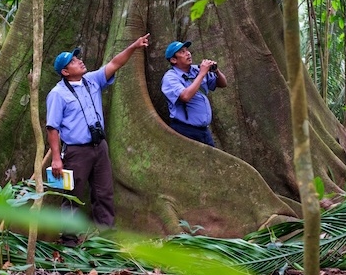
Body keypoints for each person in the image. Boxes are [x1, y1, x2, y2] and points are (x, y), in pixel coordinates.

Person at [46, 33, 149, 245]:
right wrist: (56, 158)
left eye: (77, 58)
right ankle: (69, 240)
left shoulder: (91, 81)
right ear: (65, 72)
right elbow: (52, 128)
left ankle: (107, 238)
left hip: (99, 147)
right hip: (76, 152)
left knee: (104, 192)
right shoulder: (57, 94)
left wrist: (134, 46)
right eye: (73, 61)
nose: (79, 61)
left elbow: (114, 63)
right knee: (72, 196)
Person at [161, 40, 227, 147]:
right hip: (184, 131)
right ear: (173, 60)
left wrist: (216, 70)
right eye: (182, 52)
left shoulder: (196, 70)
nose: (187, 53)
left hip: (204, 131)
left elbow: (223, 84)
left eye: (187, 50)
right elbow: (185, 96)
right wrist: (201, 74)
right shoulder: (170, 77)